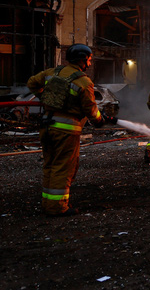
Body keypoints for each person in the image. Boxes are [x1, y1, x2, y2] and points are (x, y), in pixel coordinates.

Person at [27, 44, 116, 216]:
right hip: (66, 132)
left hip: (46, 127)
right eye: (89, 60)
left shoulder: (51, 73)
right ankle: (58, 208)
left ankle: (48, 203)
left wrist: (44, 97)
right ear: (82, 60)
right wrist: (99, 120)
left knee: (50, 165)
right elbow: (91, 111)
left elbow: (32, 83)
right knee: (63, 168)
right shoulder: (83, 82)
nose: (89, 64)